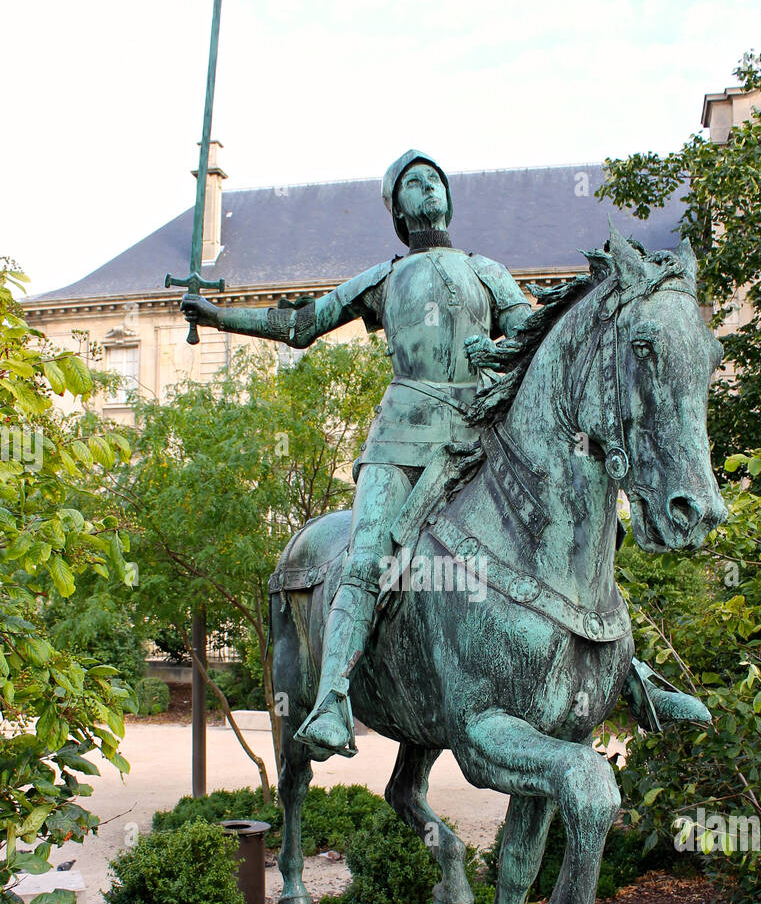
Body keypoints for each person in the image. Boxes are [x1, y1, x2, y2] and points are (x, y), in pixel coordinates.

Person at [182, 149, 709, 756]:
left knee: (588, 532)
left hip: (484, 435)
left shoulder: (486, 269)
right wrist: (219, 315)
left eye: (435, 179)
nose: (428, 188)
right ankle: (332, 699)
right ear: (397, 209)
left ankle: (630, 677)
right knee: (368, 558)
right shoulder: (384, 278)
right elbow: (302, 324)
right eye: (413, 183)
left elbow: (528, 338)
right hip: (402, 442)